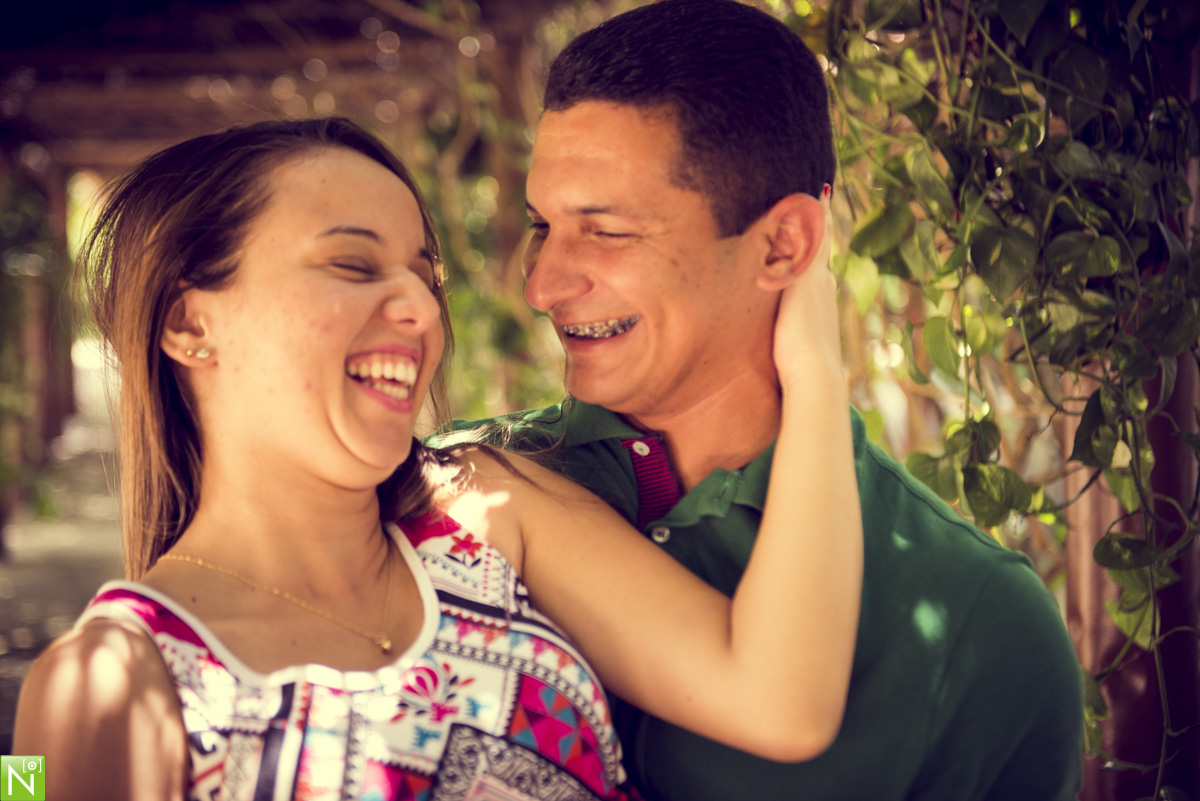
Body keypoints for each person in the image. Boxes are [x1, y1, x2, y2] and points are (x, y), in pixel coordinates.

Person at [12, 116, 861, 800]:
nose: (419, 305)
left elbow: (781, 699)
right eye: (352, 264)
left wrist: (817, 373)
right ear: (190, 325)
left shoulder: (483, 513)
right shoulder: (105, 679)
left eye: (427, 274)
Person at [438, 1, 1086, 799]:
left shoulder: (980, 620)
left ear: (783, 246)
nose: (541, 286)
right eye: (544, 225)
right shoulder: (462, 498)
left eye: (604, 231)